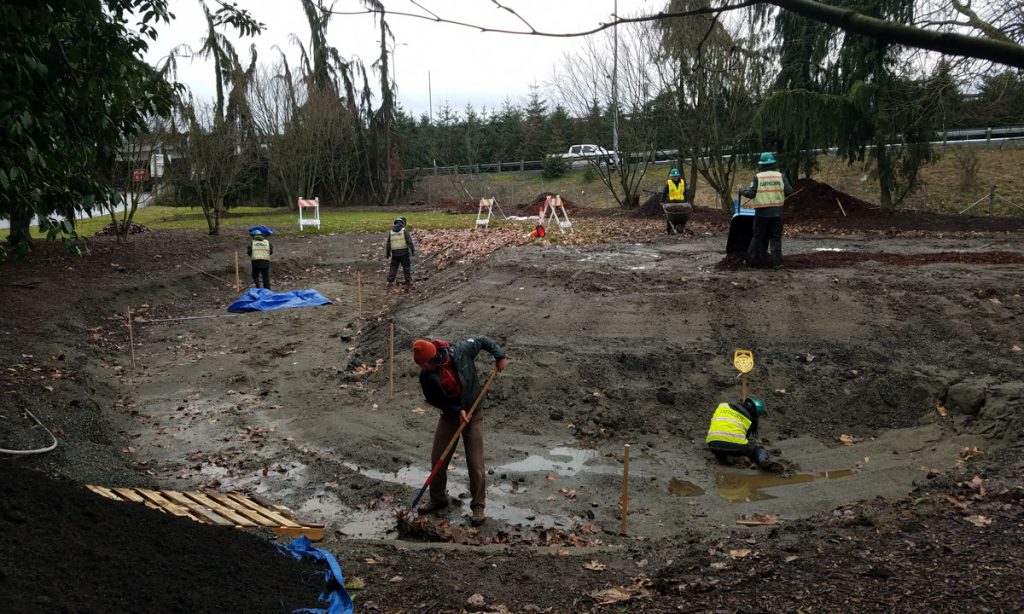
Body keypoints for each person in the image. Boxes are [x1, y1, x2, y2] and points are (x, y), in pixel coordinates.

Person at [413, 336, 509, 526]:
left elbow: (483, 340)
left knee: (475, 463)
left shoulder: (462, 352)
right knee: (438, 457)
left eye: (424, 364)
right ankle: (438, 498)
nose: (422, 368)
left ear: (433, 359)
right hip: (450, 415)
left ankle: (478, 506)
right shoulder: (426, 376)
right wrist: (456, 410)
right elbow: (435, 399)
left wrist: (499, 356)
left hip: (474, 413)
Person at [739, 152, 794, 268]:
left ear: (762, 165)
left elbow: (751, 194)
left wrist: (741, 191)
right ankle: (777, 263)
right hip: (778, 213)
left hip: (762, 213)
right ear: (773, 163)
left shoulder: (758, 177)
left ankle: (751, 261)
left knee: (758, 237)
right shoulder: (781, 176)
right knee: (776, 237)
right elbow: (789, 192)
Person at [705, 397, 772, 469]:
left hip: (713, 444)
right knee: (757, 448)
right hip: (735, 445)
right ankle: (762, 459)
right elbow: (745, 438)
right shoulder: (748, 419)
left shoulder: (722, 406)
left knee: (723, 448)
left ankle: (730, 458)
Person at [385, 217, 415, 284]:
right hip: (404, 252)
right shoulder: (404, 230)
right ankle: (408, 279)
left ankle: (390, 279)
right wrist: (412, 250)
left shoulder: (391, 232)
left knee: (393, 266)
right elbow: (409, 241)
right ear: (403, 223)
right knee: (406, 266)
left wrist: (388, 253)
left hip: (395, 253)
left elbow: (388, 243)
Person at [661, 167, 687, 234]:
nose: (675, 177)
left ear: (678, 176)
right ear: (671, 176)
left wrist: (686, 201)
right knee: (670, 217)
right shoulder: (669, 183)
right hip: (672, 203)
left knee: (682, 216)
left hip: (681, 202)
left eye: (676, 176)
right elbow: (664, 192)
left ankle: (681, 228)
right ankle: (669, 230)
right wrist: (662, 201)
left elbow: (685, 192)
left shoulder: (682, 182)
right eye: (673, 176)